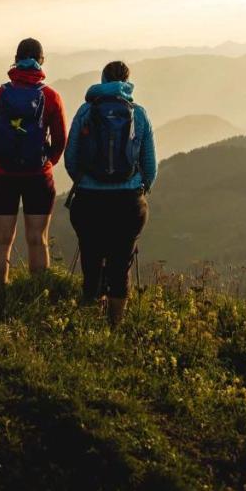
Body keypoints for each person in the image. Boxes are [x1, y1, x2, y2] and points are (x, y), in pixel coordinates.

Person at [63, 60, 156, 327]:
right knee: (120, 263)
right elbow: (150, 165)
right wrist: (141, 189)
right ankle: (114, 326)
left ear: (102, 80)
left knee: (91, 259)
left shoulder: (86, 111)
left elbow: (71, 157)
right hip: (128, 203)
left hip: (89, 201)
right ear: (127, 82)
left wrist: (83, 182)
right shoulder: (139, 114)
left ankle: (90, 321)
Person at [0, 37, 67, 290]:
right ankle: (37, 294)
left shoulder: (0, 95)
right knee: (38, 240)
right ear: (41, 61)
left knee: (0, 240)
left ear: (16, 59)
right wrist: (48, 162)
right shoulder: (50, 96)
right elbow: (61, 137)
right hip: (38, 177)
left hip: (3, 176)